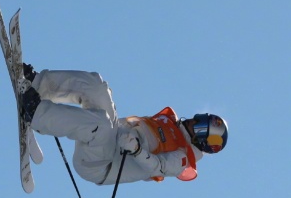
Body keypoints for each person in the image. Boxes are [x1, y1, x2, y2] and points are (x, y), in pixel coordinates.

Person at [19, 65, 228, 185]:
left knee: (101, 124)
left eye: (200, 127)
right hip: (111, 136)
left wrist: (136, 150)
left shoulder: (182, 157)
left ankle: (36, 113)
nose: (194, 122)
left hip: (103, 164)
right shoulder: (171, 124)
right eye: (200, 118)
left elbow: (158, 167)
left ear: (203, 142)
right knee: (97, 86)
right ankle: (38, 84)